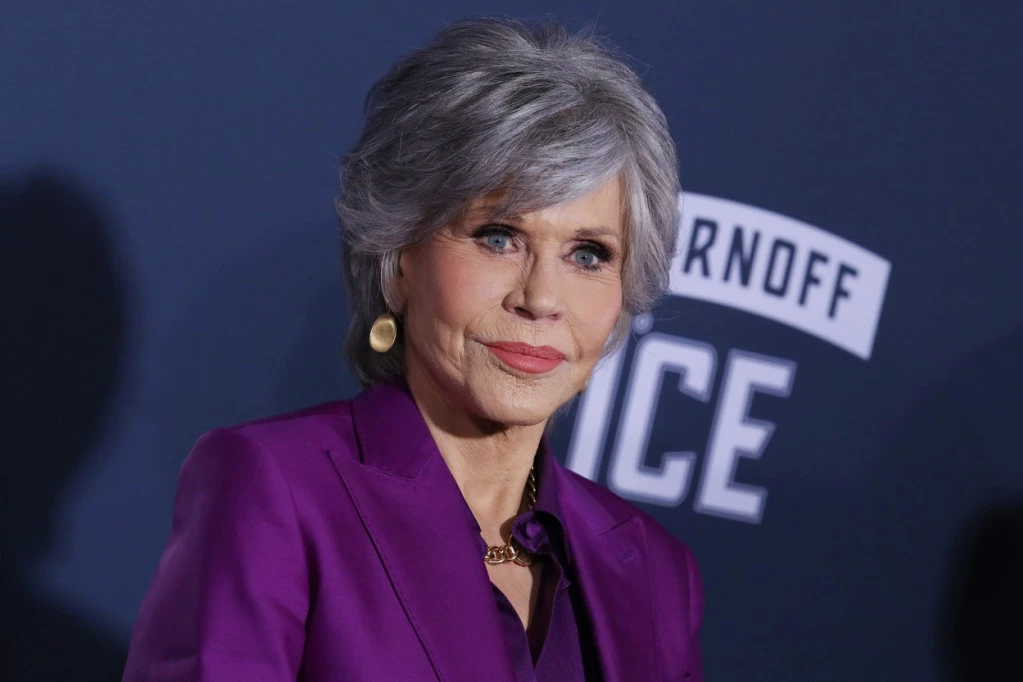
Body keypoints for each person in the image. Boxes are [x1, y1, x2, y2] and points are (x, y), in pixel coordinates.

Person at [122, 16, 703, 682]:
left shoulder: (656, 572)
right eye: (498, 237)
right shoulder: (275, 490)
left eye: (588, 254)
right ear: (399, 259)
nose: (542, 298)